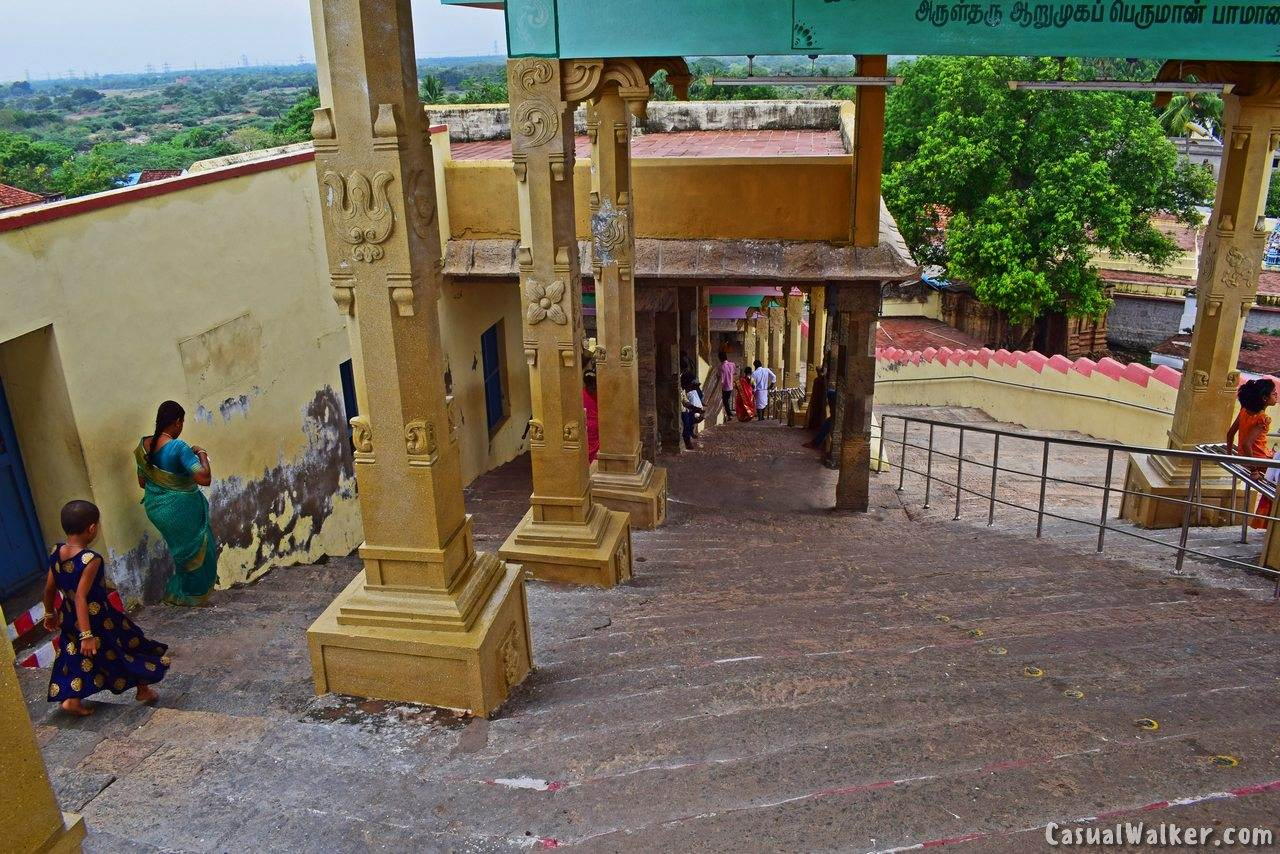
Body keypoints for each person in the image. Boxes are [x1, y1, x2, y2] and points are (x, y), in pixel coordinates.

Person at [43, 500, 168, 716]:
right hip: (97, 618)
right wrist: (87, 634)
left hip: (69, 614)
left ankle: (72, 699)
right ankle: (143, 689)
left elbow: (49, 586)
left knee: (73, 656)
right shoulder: (90, 559)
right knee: (125, 647)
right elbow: (82, 596)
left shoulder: (56, 550)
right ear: (92, 528)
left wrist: (49, 612)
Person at [135, 401, 219, 606]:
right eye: (182, 422)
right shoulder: (177, 447)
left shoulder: (142, 446)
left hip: (157, 510)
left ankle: (180, 592)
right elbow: (204, 478)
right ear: (177, 422)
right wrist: (201, 453)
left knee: (181, 552)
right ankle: (192, 595)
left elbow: (142, 482)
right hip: (181, 511)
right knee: (198, 549)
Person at [1226, 377, 1279, 529]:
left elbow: (1230, 434)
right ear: (1264, 398)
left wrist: (1229, 455)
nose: (1276, 395)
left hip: (1245, 457)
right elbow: (1247, 444)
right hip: (1258, 461)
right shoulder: (1263, 418)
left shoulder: (1244, 411)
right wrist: (1254, 469)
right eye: (1274, 393)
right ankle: (1267, 522)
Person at [680, 372, 705, 450]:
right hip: (681, 409)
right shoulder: (680, 388)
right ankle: (687, 439)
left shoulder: (683, 388)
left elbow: (685, 400)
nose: (691, 386)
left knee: (691, 416)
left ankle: (690, 434)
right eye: (690, 384)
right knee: (687, 420)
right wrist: (693, 408)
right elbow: (682, 403)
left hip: (685, 408)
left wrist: (694, 408)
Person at [583, 371, 600, 463]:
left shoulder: (601, 394)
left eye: (594, 384)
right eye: (590, 384)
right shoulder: (580, 395)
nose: (593, 387)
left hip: (598, 432)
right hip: (587, 432)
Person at [717, 352, 736, 424]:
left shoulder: (721, 366)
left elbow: (719, 376)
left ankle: (729, 414)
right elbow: (734, 372)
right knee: (727, 400)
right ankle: (727, 414)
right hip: (731, 385)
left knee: (725, 401)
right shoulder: (732, 364)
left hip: (724, 386)